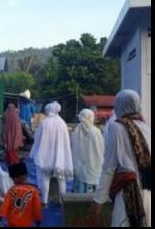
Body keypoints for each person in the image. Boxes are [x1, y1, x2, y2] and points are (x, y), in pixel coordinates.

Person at [87, 90, 151, 227]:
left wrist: (98, 201)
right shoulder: (146, 127)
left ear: (120, 105)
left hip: (128, 194)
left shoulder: (117, 127)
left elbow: (109, 168)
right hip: (147, 193)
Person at [29, 101, 73, 207]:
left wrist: (33, 153)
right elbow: (67, 142)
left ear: (48, 110)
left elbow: (37, 139)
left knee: (45, 178)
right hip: (60, 156)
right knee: (61, 179)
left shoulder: (44, 123)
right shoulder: (62, 123)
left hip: (45, 156)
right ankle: (63, 201)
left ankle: (44, 201)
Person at [0, 162, 42, 227]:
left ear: (15, 179)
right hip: (26, 223)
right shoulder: (34, 190)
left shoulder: (12, 190)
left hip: (12, 223)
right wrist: (38, 220)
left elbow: (5, 205)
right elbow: (37, 207)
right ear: (26, 176)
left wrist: (0, 219)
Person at [71, 109, 105, 193]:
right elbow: (101, 149)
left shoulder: (76, 130)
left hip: (79, 167)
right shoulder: (95, 131)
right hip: (93, 165)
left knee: (80, 187)